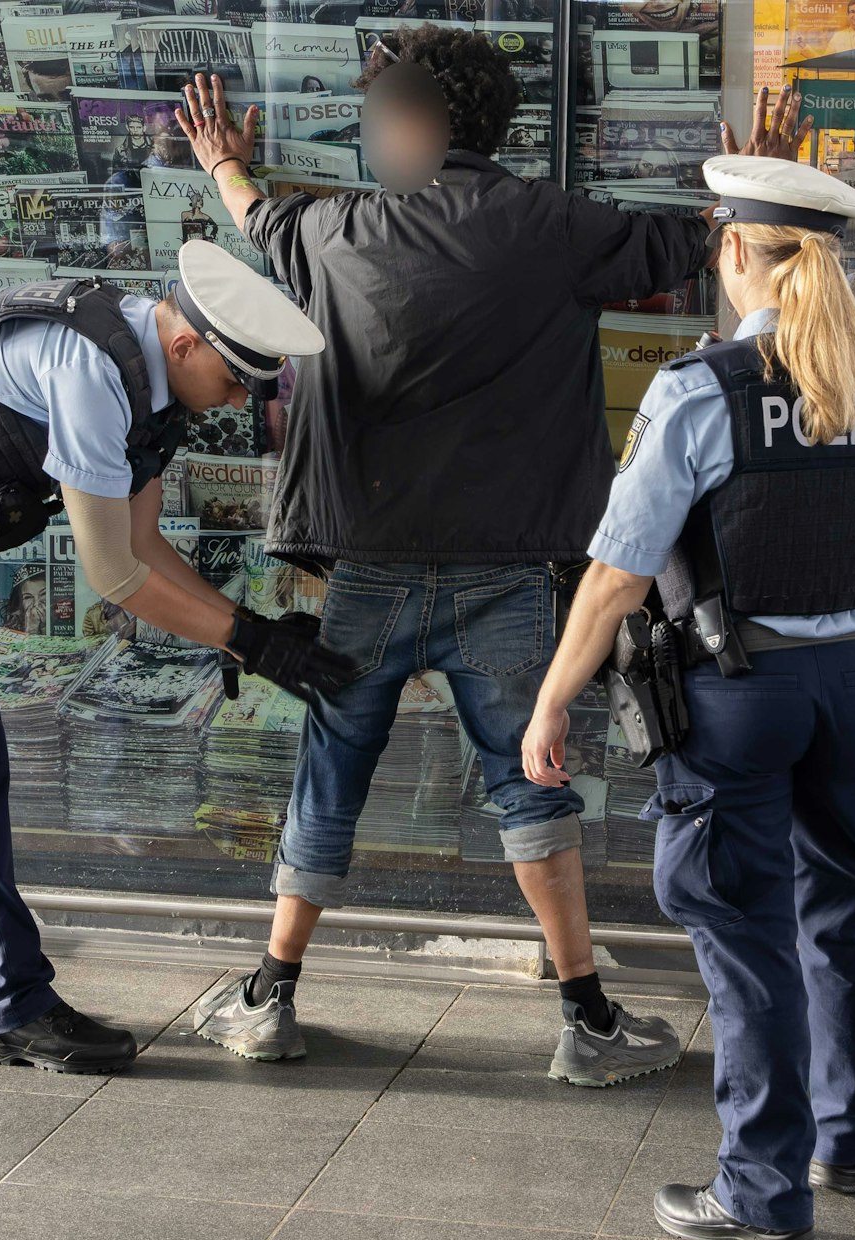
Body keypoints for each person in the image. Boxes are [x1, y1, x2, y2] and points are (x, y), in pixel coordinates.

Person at [170, 25, 807, 1079]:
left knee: (328, 777)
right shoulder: (551, 227)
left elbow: (262, 219)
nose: (369, 137)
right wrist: (768, 182)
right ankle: (587, 1018)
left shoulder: (334, 233)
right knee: (532, 784)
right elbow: (701, 244)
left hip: (363, 572)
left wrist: (222, 161)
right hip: (508, 577)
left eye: (379, 117)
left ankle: (269, 994)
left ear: (418, 125)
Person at [520, 155, 855, 1240]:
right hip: (853, 679)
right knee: (842, 908)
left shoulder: (697, 390)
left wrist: (551, 699)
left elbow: (616, 575)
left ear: (729, 252)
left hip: (732, 693)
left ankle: (759, 1194)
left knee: (744, 934)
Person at [0, 244, 346, 1074]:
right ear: (185, 346)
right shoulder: (96, 373)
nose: (240, 401)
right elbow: (116, 575)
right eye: (237, 380)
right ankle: (5, 1005)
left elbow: (143, 541)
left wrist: (254, 628)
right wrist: (244, 639)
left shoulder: (150, 380)